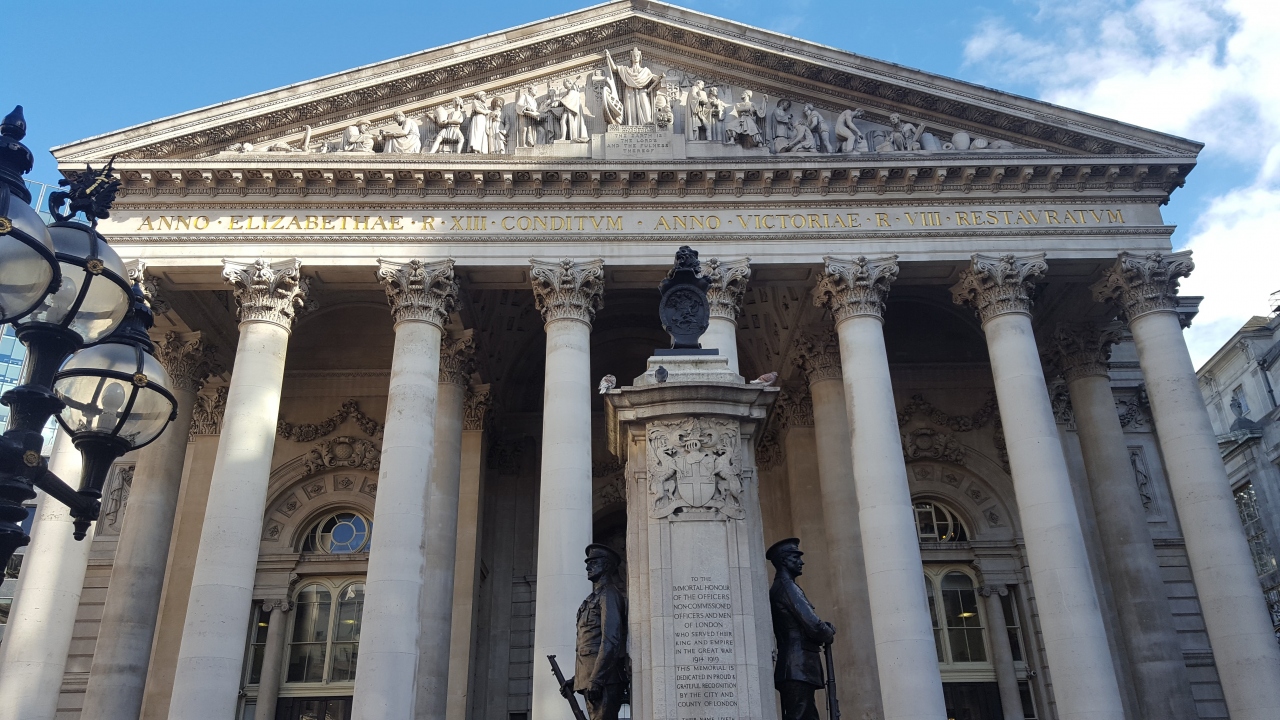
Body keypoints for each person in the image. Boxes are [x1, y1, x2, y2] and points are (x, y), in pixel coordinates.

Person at [767, 538, 835, 720]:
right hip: (797, 665)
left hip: (796, 666)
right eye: (795, 557)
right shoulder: (788, 588)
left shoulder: (784, 587)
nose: (801, 562)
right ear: (784, 561)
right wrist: (828, 632)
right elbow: (814, 626)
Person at [560, 544, 629, 720]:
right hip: (594, 679)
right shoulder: (594, 597)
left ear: (606, 565)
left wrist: (597, 678)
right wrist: (576, 679)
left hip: (605, 679)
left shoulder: (609, 595)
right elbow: (591, 644)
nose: (587, 567)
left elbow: (611, 640)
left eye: (593, 562)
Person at [604, 46, 664, 125]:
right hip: (629, 91)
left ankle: (648, 123)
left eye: (637, 55)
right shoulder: (626, 70)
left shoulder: (645, 71)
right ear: (631, 57)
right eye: (634, 55)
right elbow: (614, 68)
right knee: (630, 109)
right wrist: (608, 57)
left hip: (642, 91)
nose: (636, 57)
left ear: (640, 57)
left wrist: (660, 77)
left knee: (645, 106)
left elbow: (653, 77)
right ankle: (631, 126)